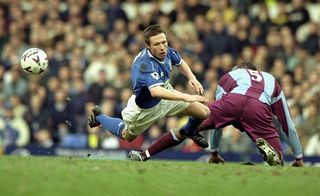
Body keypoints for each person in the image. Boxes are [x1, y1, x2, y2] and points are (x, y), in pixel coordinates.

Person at [130, 62, 304, 166]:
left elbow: (217, 124)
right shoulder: (271, 80)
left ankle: (144, 154)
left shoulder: (231, 75)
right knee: (278, 162)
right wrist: (298, 156)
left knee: (186, 129)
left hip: (232, 101)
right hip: (258, 109)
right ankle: (272, 154)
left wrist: (214, 152)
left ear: (241, 69)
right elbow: (287, 124)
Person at [88, 24, 210, 154]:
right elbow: (155, 91)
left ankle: (189, 131)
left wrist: (192, 77)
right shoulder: (144, 64)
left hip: (166, 93)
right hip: (146, 108)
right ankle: (99, 117)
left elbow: (180, 62)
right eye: (157, 44)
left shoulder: (167, 51)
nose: (162, 47)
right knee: (127, 136)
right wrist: (187, 96)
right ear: (148, 46)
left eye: (164, 42)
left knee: (204, 112)